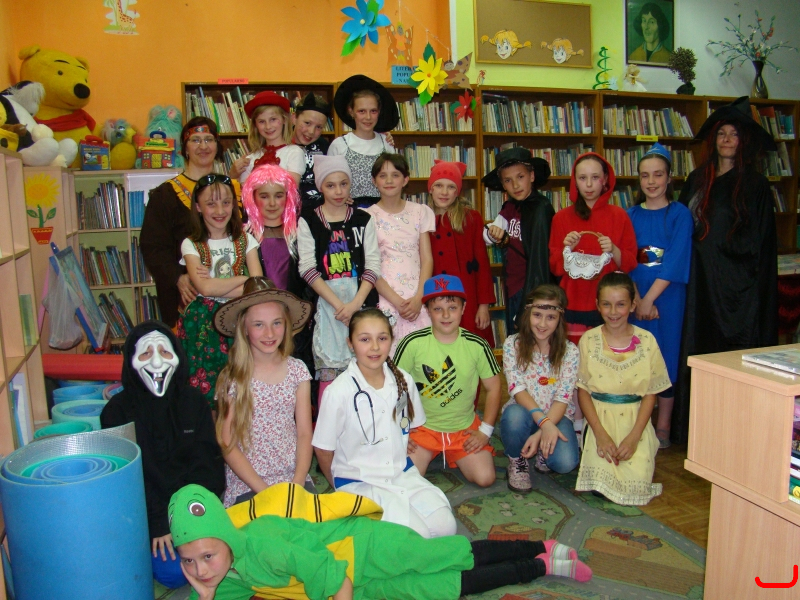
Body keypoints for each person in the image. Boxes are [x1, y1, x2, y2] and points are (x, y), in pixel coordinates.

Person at [169, 484, 592, 600]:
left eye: (207, 556)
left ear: (227, 539)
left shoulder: (264, 547)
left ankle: (537, 545)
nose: (201, 570)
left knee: (442, 555)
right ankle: (538, 567)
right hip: (359, 583)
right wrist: (205, 594)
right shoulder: (221, 573)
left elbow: (331, 577)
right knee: (438, 588)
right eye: (189, 562)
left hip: (363, 548)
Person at [675, 96, 778, 443]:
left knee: (733, 353)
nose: (727, 140)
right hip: (700, 284)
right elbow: (681, 226)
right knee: (698, 348)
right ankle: (697, 428)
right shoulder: (696, 179)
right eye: (722, 133)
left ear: (743, 140)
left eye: (734, 134)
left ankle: (735, 430)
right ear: (713, 139)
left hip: (738, 289)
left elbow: (760, 242)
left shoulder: (755, 185)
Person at [100, 321, 225, 589]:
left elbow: (207, 465)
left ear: (177, 357)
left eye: (165, 352)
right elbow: (124, 482)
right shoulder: (115, 413)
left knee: (216, 557)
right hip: (146, 513)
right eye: (146, 353)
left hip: (188, 508)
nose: (156, 362)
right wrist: (158, 523)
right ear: (130, 361)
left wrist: (189, 517)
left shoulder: (193, 402)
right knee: (173, 572)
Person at [312, 308, 457, 538]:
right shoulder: (338, 392)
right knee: (416, 535)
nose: (375, 347)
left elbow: (411, 425)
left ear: (391, 340)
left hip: (401, 474)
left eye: (382, 338)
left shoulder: (404, 380)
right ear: (350, 344)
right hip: (360, 483)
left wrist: (398, 442)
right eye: (365, 339)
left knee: (446, 527)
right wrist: (341, 489)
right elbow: (322, 449)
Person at [212, 277, 313, 506]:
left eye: (277, 323)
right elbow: (227, 443)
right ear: (244, 329)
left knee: (312, 525)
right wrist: (266, 493)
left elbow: (304, 433)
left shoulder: (297, 371)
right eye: (259, 325)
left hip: (292, 476)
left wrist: (297, 484)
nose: (269, 333)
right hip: (250, 483)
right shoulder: (233, 378)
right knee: (266, 528)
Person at [394, 275, 502, 488]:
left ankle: (452, 452)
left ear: (463, 308)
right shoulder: (412, 343)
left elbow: (494, 388)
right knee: (406, 481)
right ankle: (429, 451)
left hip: (463, 429)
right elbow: (396, 389)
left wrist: (485, 431)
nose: (445, 315)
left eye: (452, 308)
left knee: (485, 478)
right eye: (438, 309)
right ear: (427, 311)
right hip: (422, 429)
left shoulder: (477, 345)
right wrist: (401, 431)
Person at [575, 272, 671, 505]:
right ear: (597, 305)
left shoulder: (647, 341)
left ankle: (641, 450)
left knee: (635, 486)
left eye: (620, 304)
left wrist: (634, 438)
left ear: (632, 305)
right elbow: (583, 390)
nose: (613, 311)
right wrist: (600, 435)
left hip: (634, 422)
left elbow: (650, 393)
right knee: (600, 489)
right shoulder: (588, 340)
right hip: (600, 421)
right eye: (606, 304)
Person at [140, 117, 241, 328]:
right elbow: (153, 247)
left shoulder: (234, 190)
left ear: (217, 146)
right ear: (185, 148)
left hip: (232, 293)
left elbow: (243, 237)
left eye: (209, 139)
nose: (203, 146)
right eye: (195, 140)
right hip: (186, 296)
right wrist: (177, 277)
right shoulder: (165, 195)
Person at [297, 155, 381, 402]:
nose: (338, 191)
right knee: (330, 382)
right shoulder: (309, 221)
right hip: (327, 306)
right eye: (330, 185)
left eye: (343, 184)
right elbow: (307, 268)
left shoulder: (364, 219)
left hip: (361, 304)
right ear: (320, 187)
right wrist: (338, 306)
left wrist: (355, 304)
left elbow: (373, 265)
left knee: (365, 374)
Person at [176, 174, 263, 409]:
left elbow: (256, 288)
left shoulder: (246, 240)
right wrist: (243, 279)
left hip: (238, 321)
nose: (220, 210)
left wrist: (218, 285)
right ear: (198, 207)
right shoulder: (191, 244)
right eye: (211, 204)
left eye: (226, 202)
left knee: (239, 387)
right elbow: (204, 288)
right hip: (203, 326)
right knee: (205, 391)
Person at [627, 143, 693, 449]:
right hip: (635, 295)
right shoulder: (630, 215)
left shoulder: (679, 214)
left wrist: (650, 299)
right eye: (645, 175)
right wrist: (637, 298)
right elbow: (626, 259)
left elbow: (676, 260)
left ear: (669, 178)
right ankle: (635, 422)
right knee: (636, 356)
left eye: (658, 174)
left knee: (665, 356)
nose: (651, 181)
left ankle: (663, 424)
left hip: (667, 297)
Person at [500, 285, 580, 493]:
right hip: (524, 413)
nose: (542, 324)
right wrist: (543, 423)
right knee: (514, 417)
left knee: (565, 463)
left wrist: (543, 430)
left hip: (556, 416)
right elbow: (517, 389)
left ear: (560, 319)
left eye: (550, 317)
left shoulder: (570, 351)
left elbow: (563, 397)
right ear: (527, 314)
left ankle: (542, 450)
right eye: (537, 315)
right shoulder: (512, 344)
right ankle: (517, 460)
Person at [549, 152, 638, 336]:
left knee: (606, 351)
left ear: (605, 180)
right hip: (572, 303)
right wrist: (567, 250)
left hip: (610, 307)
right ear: (575, 181)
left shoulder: (619, 216)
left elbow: (630, 264)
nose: (589, 185)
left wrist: (614, 250)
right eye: (582, 178)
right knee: (573, 353)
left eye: (595, 177)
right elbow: (555, 268)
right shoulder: (561, 218)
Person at [366, 153, 435, 349]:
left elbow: (427, 259)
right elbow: (371, 266)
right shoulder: (367, 217)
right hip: (386, 297)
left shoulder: (419, 212)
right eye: (382, 175)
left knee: (421, 354)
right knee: (388, 353)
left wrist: (419, 298)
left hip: (417, 297)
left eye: (395, 175)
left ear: (405, 180)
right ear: (374, 181)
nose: (389, 181)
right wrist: (396, 301)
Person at [483, 147, 554, 331]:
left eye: (520, 177)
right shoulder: (510, 207)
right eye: (508, 180)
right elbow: (487, 235)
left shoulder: (540, 209)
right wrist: (493, 232)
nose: (515, 185)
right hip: (512, 286)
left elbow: (539, 263)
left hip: (530, 290)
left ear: (532, 176)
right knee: (515, 341)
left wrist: (527, 306)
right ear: (503, 185)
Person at [427, 159, 495, 347]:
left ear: (457, 192)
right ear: (430, 188)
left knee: (471, 347)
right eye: (439, 185)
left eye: (451, 187)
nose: (444, 192)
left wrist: (483, 305)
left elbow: (482, 264)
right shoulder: (423, 218)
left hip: (468, 297)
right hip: (435, 296)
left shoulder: (471, 218)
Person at [328, 75, 398, 207]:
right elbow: (329, 181)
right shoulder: (340, 145)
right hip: (349, 211)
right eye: (361, 111)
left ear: (379, 112)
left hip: (382, 210)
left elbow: (394, 178)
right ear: (351, 112)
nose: (368, 117)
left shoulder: (386, 143)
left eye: (373, 111)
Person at [229, 91, 304, 185]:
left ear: (284, 119)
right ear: (255, 125)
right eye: (261, 121)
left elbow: (291, 187)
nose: (268, 126)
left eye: (273, 119)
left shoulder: (294, 152)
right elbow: (245, 191)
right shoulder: (250, 159)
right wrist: (233, 175)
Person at [291, 92, 332, 209]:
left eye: (318, 127)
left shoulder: (325, 147)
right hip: (289, 210)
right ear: (294, 118)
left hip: (320, 211)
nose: (311, 131)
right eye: (307, 123)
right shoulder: (280, 144)